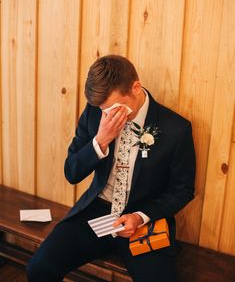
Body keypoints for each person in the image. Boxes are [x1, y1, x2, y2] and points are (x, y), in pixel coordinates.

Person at [26, 55, 196, 282]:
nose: (107, 115)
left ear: (136, 88)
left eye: (115, 108)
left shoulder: (176, 128)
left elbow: (182, 189)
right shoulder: (96, 112)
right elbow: (72, 172)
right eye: (103, 110)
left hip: (144, 218)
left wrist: (140, 216)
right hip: (97, 210)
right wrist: (100, 141)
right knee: (38, 268)